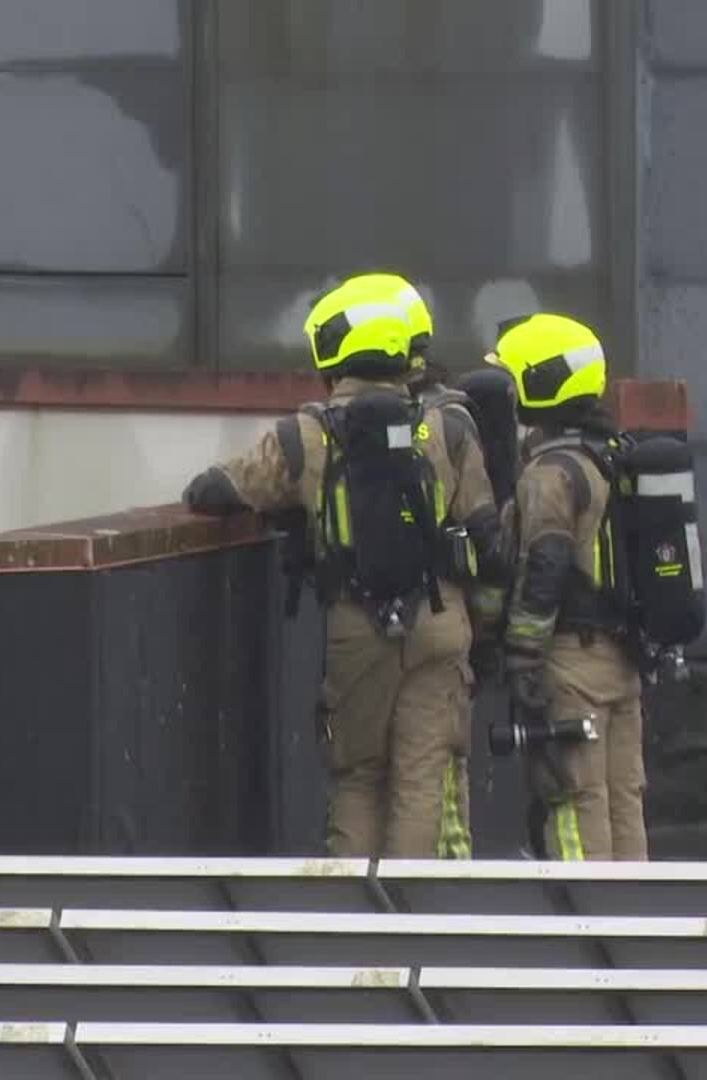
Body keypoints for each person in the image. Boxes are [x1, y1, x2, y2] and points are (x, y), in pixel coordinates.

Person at [182, 273, 499, 858]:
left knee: (357, 776)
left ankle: (352, 925)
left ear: (333, 350)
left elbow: (214, 489)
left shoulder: (307, 433)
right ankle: (417, 920)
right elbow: (485, 531)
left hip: (357, 627)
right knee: (422, 778)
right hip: (438, 621)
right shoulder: (450, 426)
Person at [489, 313, 646, 861]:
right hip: (624, 658)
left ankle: (587, 919)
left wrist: (522, 655)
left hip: (569, 661)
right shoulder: (616, 456)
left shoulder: (551, 473)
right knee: (624, 800)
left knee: (573, 799)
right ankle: (638, 928)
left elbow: (546, 563)